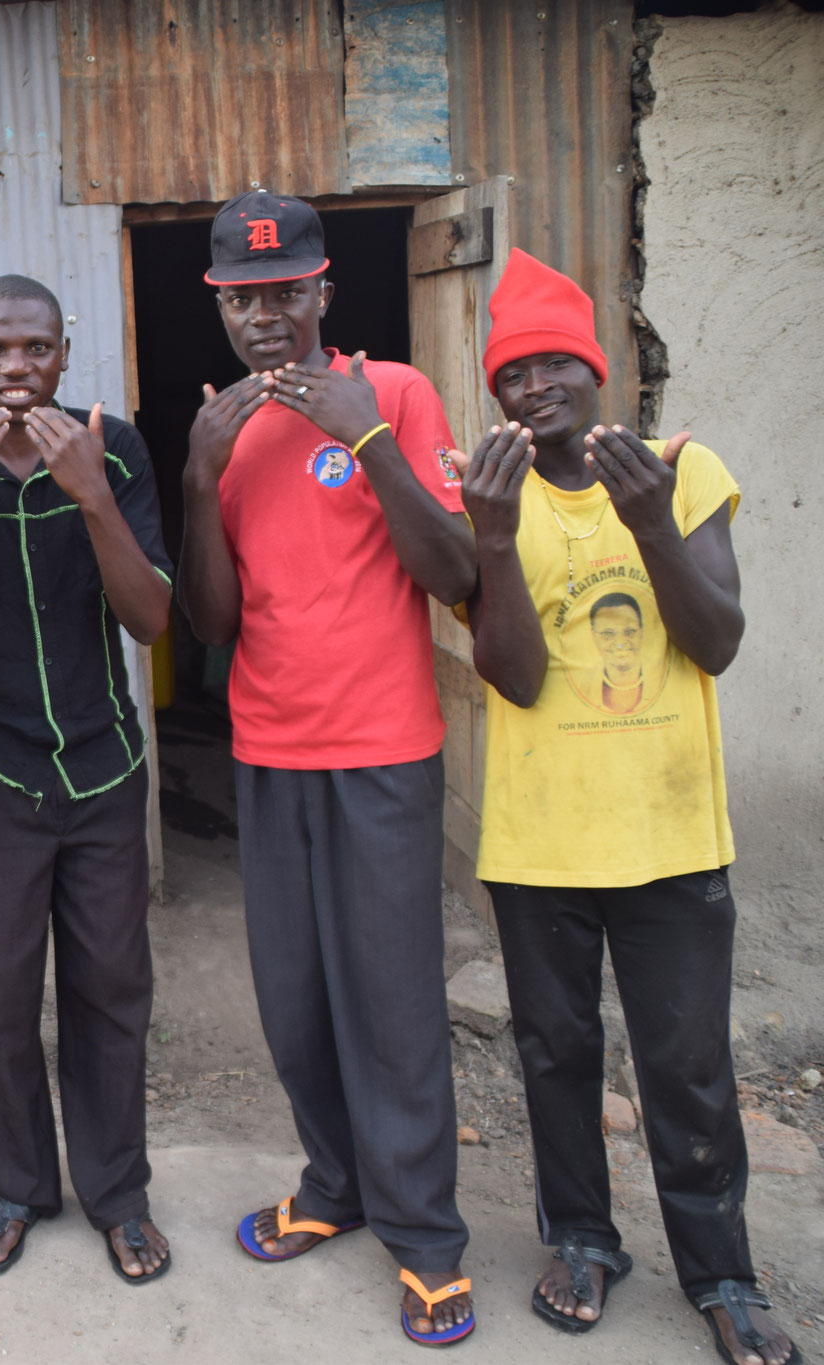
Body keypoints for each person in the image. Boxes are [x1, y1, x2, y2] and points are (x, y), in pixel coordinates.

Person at [457, 249, 791, 1365]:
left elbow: (717, 642)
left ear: (597, 372)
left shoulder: (681, 474)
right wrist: (491, 539)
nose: (535, 384)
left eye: (556, 361)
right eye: (512, 371)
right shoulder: (490, 497)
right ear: (493, 392)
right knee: (553, 1051)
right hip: (539, 840)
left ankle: (722, 1274)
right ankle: (583, 1243)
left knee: (684, 1064)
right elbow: (511, 676)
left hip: (668, 834)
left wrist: (649, 523)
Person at [176, 191, 480, 1346]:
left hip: (382, 750)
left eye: (283, 292)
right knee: (294, 1000)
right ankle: (335, 1187)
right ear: (221, 307)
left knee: (392, 1002)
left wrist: (364, 437)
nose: (264, 316)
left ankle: (425, 1238)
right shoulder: (223, 428)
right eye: (240, 299)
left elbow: (452, 570)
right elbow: (209, 623)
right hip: (267, 750)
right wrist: (201, 472)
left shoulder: (390, 393)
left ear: (320, 292)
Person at [0, 275, 175, 1284]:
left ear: (63, 353)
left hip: (102, 768)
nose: (13, 371)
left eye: (33, 350)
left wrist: (92, 492)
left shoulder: (117, 447)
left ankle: (117, 1194)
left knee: (109, 989)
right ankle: (16, 1186)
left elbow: (147, 620)